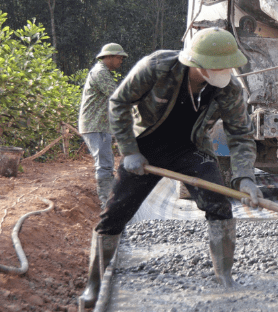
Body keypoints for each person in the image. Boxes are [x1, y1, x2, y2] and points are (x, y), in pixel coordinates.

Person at [79, 28, 264, 308]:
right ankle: (94, 285)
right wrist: (129, 151)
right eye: (220, 65)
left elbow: (240, 135)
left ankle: (224, 276)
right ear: (199, 64)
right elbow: (119, 103)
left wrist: (246, 178)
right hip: (146, 147)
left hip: (190, 149)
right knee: (115, 212)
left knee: (219, 204)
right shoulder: (156, 67)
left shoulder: (229, 89)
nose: (226, 70)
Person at [78, 43, 127, 209]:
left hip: (100, 125)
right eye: (119, 58)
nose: (121, 61)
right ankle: (107, 202)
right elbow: (117, 96)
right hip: (95, 125)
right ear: (109, 57)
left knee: (106, 162)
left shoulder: (103, 72)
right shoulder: (100, 72)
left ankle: (110, 197)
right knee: (104, 164)